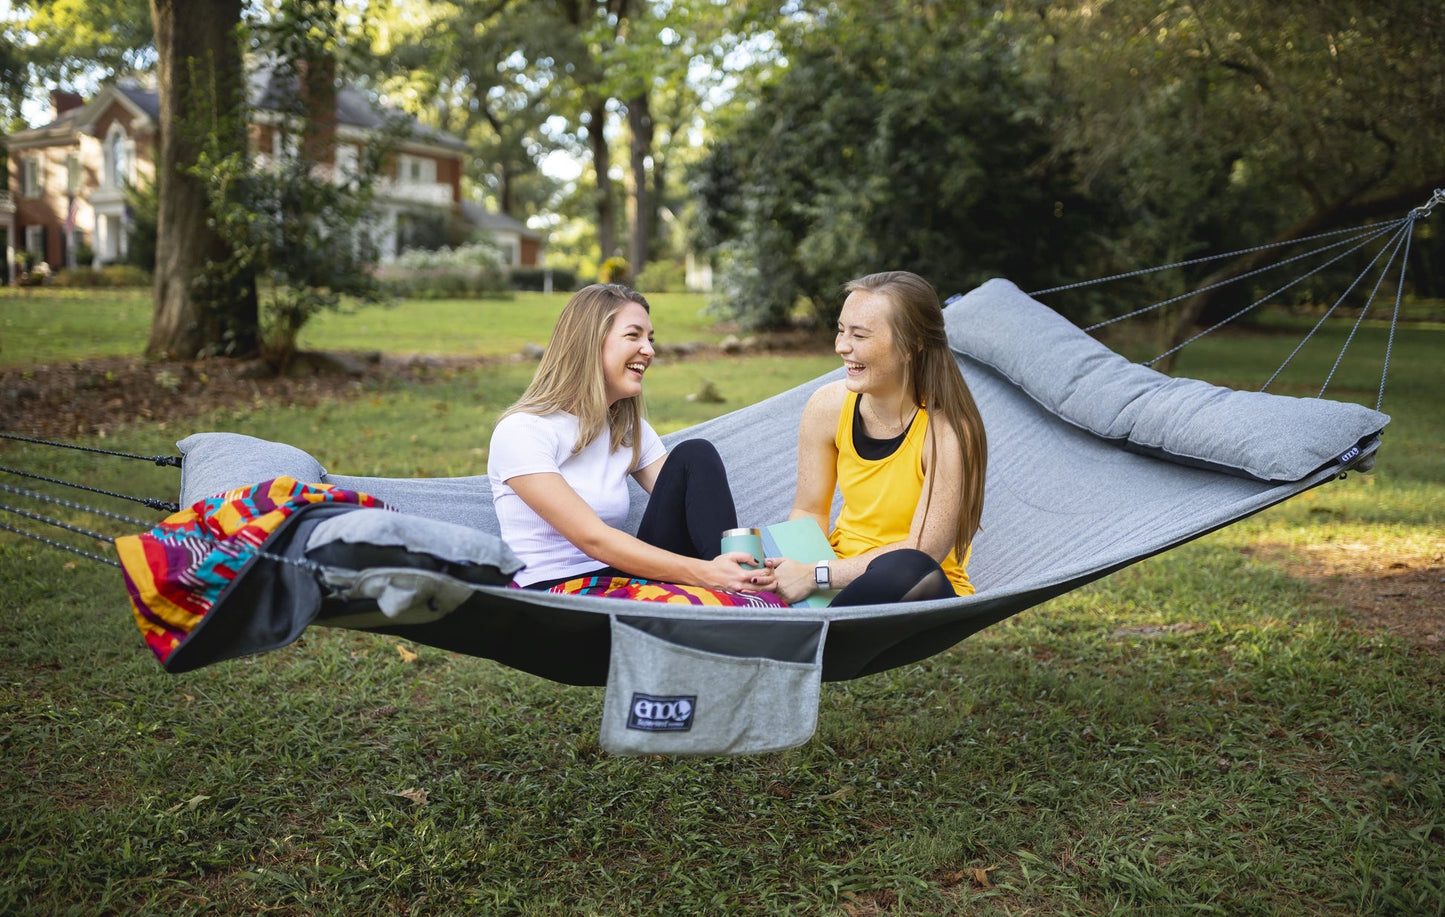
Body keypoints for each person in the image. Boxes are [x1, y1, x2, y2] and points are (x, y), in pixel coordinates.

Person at [488, 283, 775, 594]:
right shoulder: (523, 431)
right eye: (633, 335)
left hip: (618, 579)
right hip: (556, 594)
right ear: (589, 342)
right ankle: (734, 589)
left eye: (650, 339)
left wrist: (726, 566)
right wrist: (706, 573)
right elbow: (593, 538)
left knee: (695, 455)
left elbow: (688, 503)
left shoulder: (628, 430)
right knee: (710, 574)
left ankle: (742, 582)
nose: (649, 350)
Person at [771, 270, 987, 605]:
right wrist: (795, 573)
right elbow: (808, 509)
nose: (842, 347)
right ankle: (806, 621)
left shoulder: (947, 432)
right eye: (842, 330)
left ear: (910, 346)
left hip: (915, 589)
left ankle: (815, 635)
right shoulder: (827, 406)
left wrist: (817, 575)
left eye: (860, 335)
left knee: (908, 565)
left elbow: (924, 550)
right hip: (832, 578)